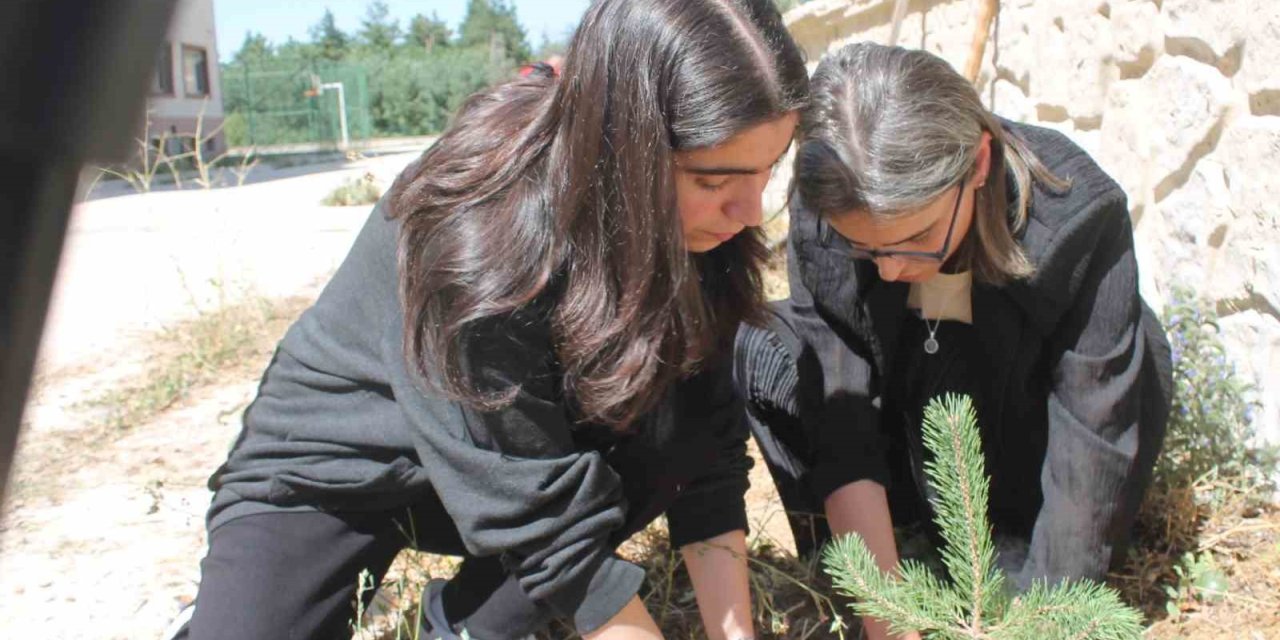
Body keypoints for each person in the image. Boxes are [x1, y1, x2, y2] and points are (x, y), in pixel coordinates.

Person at [170, 1, 808, 638]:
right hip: (342, 464)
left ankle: (462, 622)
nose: (751, 212)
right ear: (621, 144)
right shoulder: (481, 225)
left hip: (505, 456)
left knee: (666, 426)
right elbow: (538, 511)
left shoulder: (694, 225)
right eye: (713, 180)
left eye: (767, 170)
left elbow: (703, 446)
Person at [734, 43, 1171, 640]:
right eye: (867, 247)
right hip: (902, 442)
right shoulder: (827, 211)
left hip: (1021, 452)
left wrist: (1039, 624)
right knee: (764, 346)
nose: (890, 270)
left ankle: (1015, 560)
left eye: (915, 237)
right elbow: (842, 414)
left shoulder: (1078, 218)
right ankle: (871, 561)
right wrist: (887, 617)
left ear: (979, 165)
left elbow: (1094, 429)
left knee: (1141, 339)